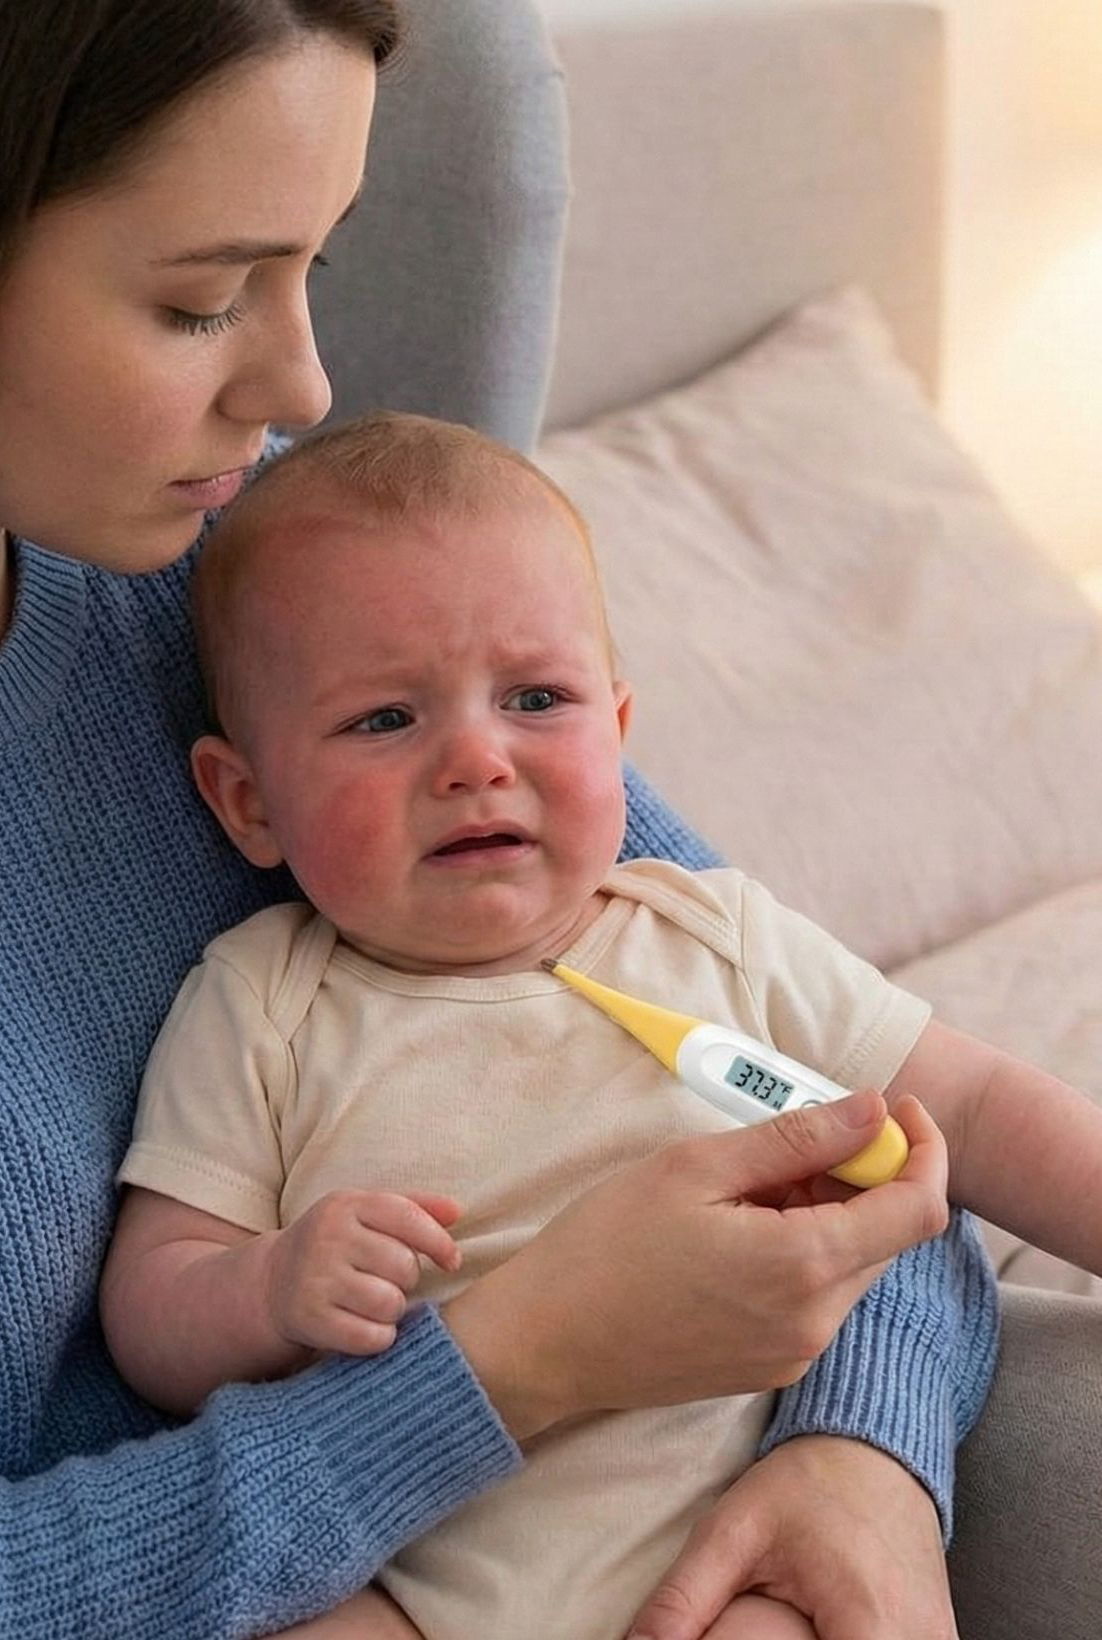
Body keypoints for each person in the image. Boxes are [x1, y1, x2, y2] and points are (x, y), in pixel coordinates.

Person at [0, 0, 997, 1637]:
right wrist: (509, 1366)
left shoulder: (248, 570)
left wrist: (862, 1449)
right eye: (199, 301)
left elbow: (784, 1058)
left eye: (312, 267)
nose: (304, 391)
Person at [100, 409, 1102, 1640]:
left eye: (535, 697)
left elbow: (981, 1104)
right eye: (384, 720)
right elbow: (151, 1306)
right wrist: (267, 1289)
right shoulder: (260, 1001)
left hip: (731, 1555)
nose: (476, 758)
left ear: (619, 735)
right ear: (249, 801)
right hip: (414, 1581)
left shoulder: (714, 936)